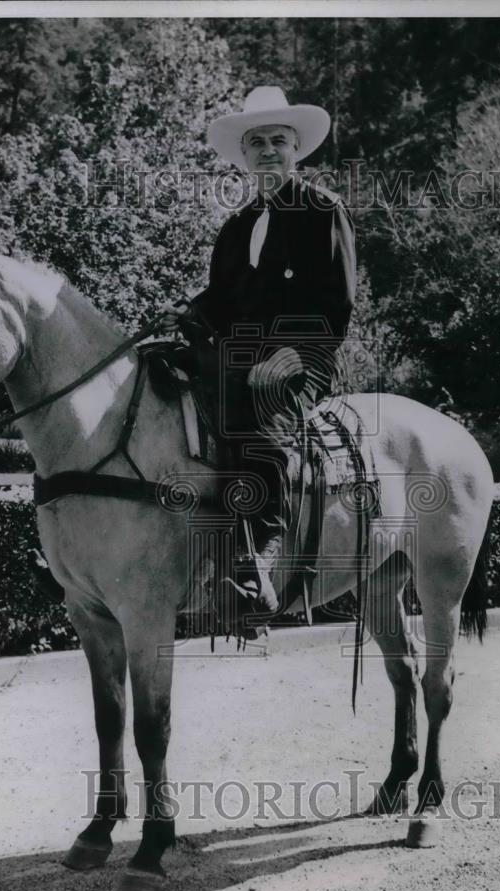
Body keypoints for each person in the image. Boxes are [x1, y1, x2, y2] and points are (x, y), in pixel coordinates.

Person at [160, 86, 357, 619]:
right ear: (244, 156)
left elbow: (337, 303)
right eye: (257, 143)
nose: (268, 151)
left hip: (301, 360)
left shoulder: (323, 211)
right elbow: (221, 303)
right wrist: (184, 315)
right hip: (234, 355)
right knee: (156, 382)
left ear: (296, 150)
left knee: (258, 410)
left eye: (278, 140)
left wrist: (294, 351)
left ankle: (258, 557)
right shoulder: (237, 225)